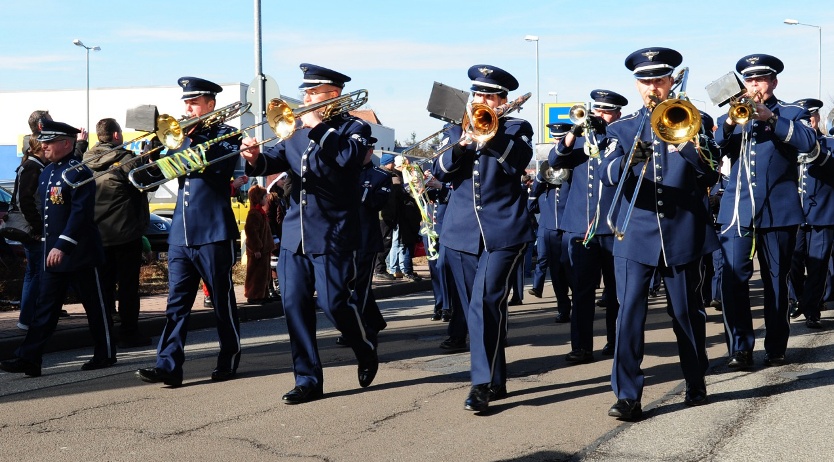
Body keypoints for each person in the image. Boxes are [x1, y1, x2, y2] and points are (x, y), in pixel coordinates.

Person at [240, 63, 379, 403]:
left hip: (333, 232)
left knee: (334, 303)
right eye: (305, 93)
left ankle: (363, 347)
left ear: (334, 94)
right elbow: (274, 160)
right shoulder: (295, 130)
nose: (305, 99)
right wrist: (254, 157)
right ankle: (307, 379)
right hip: (294, 234)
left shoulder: (354, 127)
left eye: (313, 93)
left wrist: (319, 127)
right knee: (294, 306)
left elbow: (349, 158)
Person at [600, 47, 719, 420]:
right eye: (645, 82)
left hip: (682, 232)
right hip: (635, 235)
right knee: (629, 314)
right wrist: (629, 159)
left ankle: (695, 380)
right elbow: (606, 175)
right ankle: (627, 396)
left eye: (659, 80)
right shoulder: (620, 129)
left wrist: (685, 142)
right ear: (637, 86)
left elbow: (711, 171)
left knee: (686, 312)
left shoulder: (695, 119)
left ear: (671, 81)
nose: (652, 87)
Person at [430, 64, 534, 413]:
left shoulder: (517, 128)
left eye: (489, 96)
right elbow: (440, 171)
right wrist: (462, 143)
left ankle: (480, 385)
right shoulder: (455, 128)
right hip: (460, 233)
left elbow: (516, 163)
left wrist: (491, 135)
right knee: (481, 310)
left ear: (503, 100)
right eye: (477, 94)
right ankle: (496, 377)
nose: (481, 101)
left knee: (484, 302)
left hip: (503, 232)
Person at [136, 77, 242, 387]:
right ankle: (168, 366)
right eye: (186, 103)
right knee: (176, 304)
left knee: (221, 301)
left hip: (213, 232)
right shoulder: (180, 137)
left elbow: (218, 167)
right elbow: (153, 178)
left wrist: (185, 141)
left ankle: (229, 357)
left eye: (194, 103)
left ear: (210, 104)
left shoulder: (226, 134)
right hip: (181, 234)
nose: (188, 108)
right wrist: (151, 155)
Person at [715, 54, 817, 369]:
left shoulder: (791, 112)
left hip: (778, 211)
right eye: (749, 80)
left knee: (776, 280)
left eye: (760, 79)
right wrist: (730, 122)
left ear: (773, 82)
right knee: (733, 279)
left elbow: (808, 143)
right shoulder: (732, 115)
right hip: (737, 210)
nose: (754, 85)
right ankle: (740, 348)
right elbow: (715, 147)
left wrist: (770, 119)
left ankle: (775, 346)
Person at [0, 120, 116, 377]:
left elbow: (80, 214)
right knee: (45, 307)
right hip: (53, 253)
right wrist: (48, 245)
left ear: (65, 143)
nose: (44, 146)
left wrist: (63, 245)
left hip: (80, 253)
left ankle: (106, 353)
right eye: (43, 142)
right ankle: (29, 358)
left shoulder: (78, 172)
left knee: (95, 307)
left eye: (49, 142)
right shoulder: (47, 172)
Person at [551, 89, 628, 362]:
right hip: (582, 227)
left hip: (613, 225)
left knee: (616, 292)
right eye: (596, 111)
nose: (599, 116)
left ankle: (616, 342)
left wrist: (608, 134)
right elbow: (555, 161)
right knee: (582, 291)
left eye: (606, 112)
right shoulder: (580, 139)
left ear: (617, 114)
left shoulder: (621, 137)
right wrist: (574, 131)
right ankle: (581, 347)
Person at [84, 118, 152, 348]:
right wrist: (148, 159)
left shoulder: (85, 160)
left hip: (98, 235)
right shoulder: (125, 159)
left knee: (103, 287)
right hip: (125, 233)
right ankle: (129, 333)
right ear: (115, 135)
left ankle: (105, 334)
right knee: (128, 288)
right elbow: (148, 183)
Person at [336, 136, 392, 345]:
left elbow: (378, 203)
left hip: (365, 240)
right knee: (345, 285)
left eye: (361, 150)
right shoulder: (342, 172)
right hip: (342, 239)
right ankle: (374, 321)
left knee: (360, 287)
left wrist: (357, 190)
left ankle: (357, 330)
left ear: (370, 152)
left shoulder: (380, 176)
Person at [787, 98, 833, 329]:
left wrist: (819, 153)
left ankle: (812, 309)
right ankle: (797, 299)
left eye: (810, 117)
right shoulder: (789, 146)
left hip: (823, 214)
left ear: (817, 118)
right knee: (793, 262)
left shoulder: (830, 143)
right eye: (803, 119)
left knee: (818, 265)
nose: (808, 122)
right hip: (795, 215)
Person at [528, 124, 572, 323]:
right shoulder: (549, 163)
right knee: (557, 271)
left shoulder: (576, 161)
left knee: (573, 268)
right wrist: (540, 176)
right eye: (555, 139)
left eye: (560, 139)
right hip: (551, 226)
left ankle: (580, 305)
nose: (557, 142)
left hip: (571, 224)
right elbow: (533, 196)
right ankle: (563, 307)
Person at [7, 136, 47, 331]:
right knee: (36, 272)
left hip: (31, 227)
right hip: (33, 229)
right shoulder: (33, 167)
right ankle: (28, 318)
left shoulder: (30, 165)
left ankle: (27, 317)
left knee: (33, 272)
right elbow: (25, 200)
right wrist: (37, 227)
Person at [243, 185, 275, 303]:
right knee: (256, 274)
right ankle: (254, 295)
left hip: (264, 249)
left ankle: (263, 294)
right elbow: (251, 232)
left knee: (264, 274)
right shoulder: (254, 213)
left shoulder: (260, 212)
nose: (266, 199)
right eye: (264, 197)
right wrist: (256, 248)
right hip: (258, 251)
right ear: (258, 198)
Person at [374, 153, 398, 281]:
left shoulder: (390, 175)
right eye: (392, 162)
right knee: (385, 242)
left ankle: (380, 268)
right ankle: (379, 269)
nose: (394, 164)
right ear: (388, 163)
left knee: (386, 242)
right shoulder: (384, 176)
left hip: (388, 214)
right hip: (384, 216)